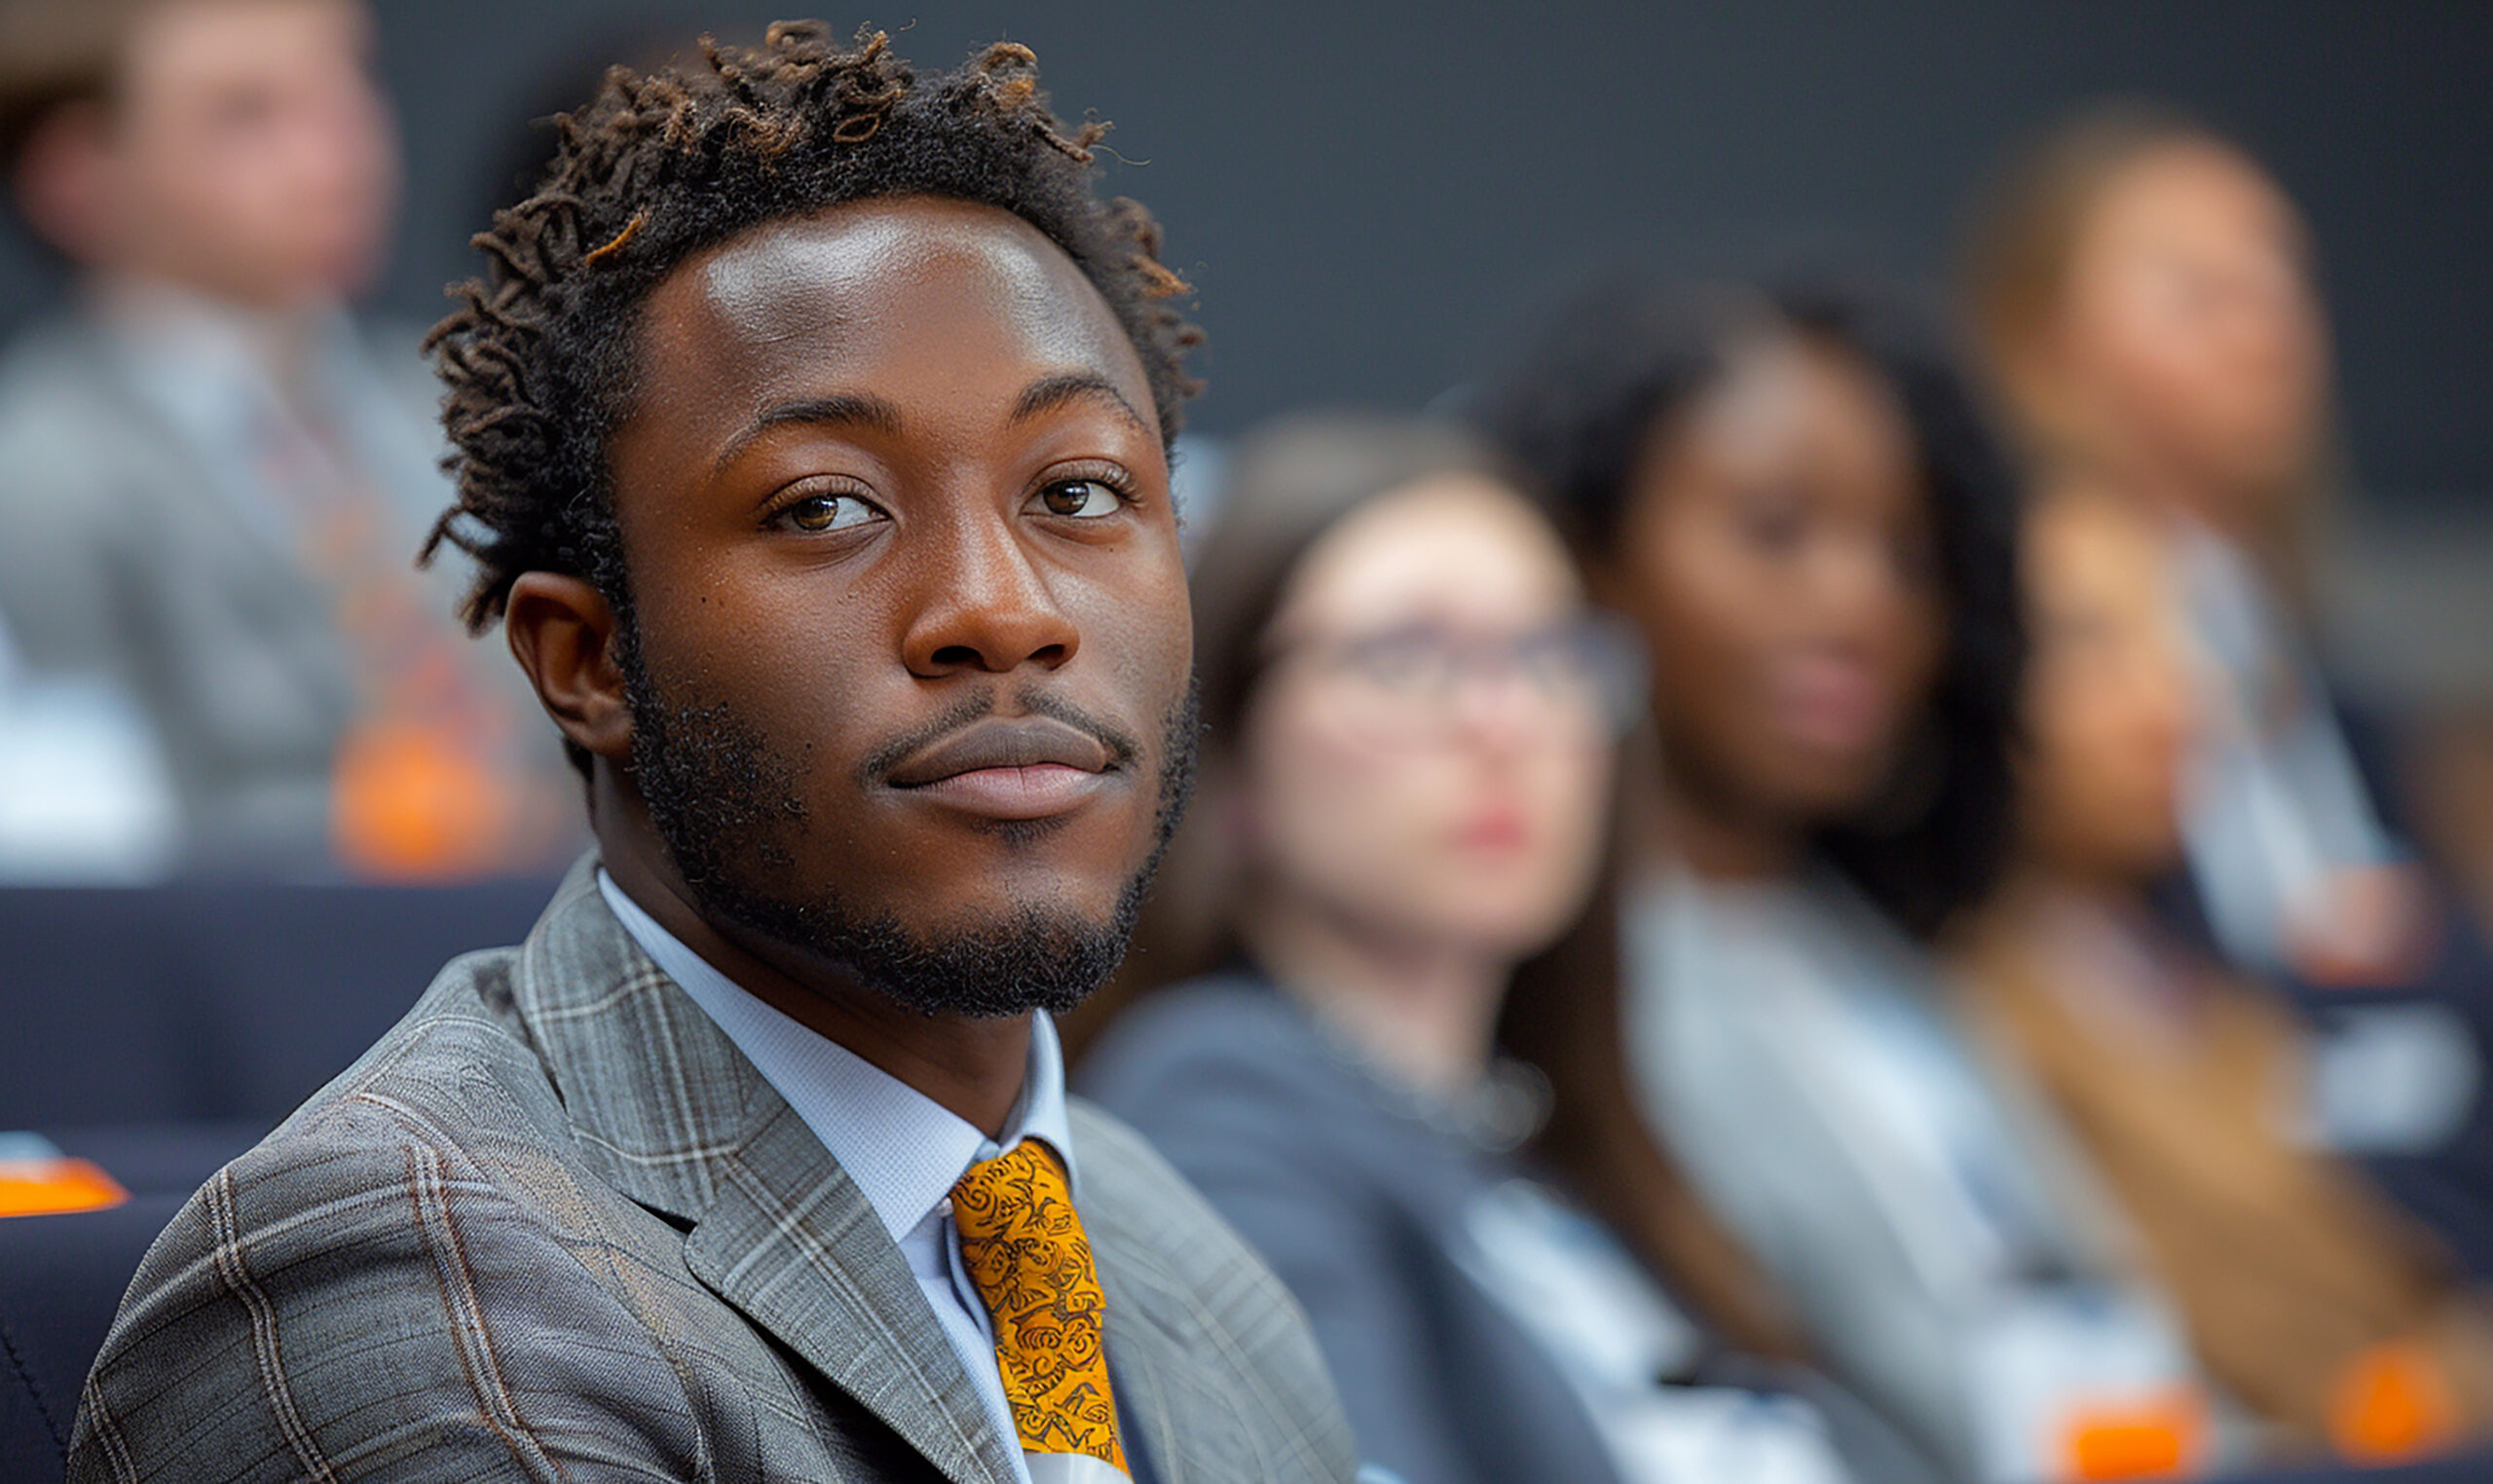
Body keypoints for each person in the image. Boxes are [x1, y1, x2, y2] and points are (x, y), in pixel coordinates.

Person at [68, 25, 1354, 1483]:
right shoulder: (403, 1292)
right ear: (587, 661)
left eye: (1077, 488)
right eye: (824, 508)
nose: (1004, 610)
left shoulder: (1191, 1276)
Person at [1077, 413, 1924, 1484]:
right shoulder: (1215, 1098)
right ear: (1227, 760)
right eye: (1405, 656)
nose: (1503, 720)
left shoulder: (1540, 1122)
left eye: (1550, 654)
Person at [1478, 279, 2214, 1484]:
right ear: (1590, 562)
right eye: (1775, 530)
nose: (1859, 603)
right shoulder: (1567, 990)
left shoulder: (1867, 940)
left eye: (1908, 555)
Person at [1961, 103, 2493, 1274]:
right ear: (2040, 345)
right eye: (2196, 291)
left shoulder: (2353, 703)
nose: (2269, 331)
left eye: (2280, 281)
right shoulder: (1997, 710)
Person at [1952, 484, 2493, 1468]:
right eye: (2090, 648)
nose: (2169, 696)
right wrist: (2414, 1396)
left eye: (2177, 639)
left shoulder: (2176, 961)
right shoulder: (1967, 1007)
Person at [0, 0, 559, 876]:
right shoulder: (44, 471)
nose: (340, 154)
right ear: (81, 175)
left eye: (350, 86)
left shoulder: (455, 401)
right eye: (247, 115)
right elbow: (86, 839)